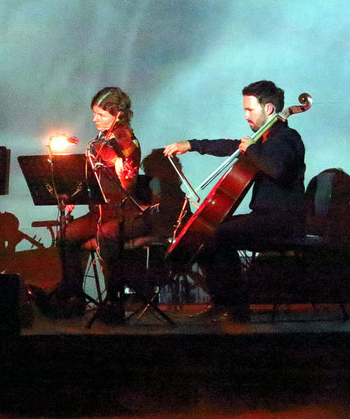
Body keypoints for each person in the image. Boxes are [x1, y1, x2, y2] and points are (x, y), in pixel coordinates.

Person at [163, 79, 306, 322]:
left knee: (219, 235)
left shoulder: (287, 138)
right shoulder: (263, 140)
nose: (246, 116)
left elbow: (278, 169)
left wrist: (251, 150)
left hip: (283, 222)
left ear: (269, 109)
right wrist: (191, 145)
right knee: (209, 232)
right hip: (263, 219)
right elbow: (230, 146)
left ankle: (236, 308)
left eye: (249, 110)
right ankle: (223, 303)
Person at [54, 87, 149, 324]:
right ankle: (73, 295)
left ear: (118, 115)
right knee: (66, 235)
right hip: (99, 211)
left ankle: (114, 301)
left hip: (123, 213)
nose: (95, 119)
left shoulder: (126, 140)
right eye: (95, 114)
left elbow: (128, 182)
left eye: (102, 115)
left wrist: (121, 166)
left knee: (107, 234)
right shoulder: (100, 141)